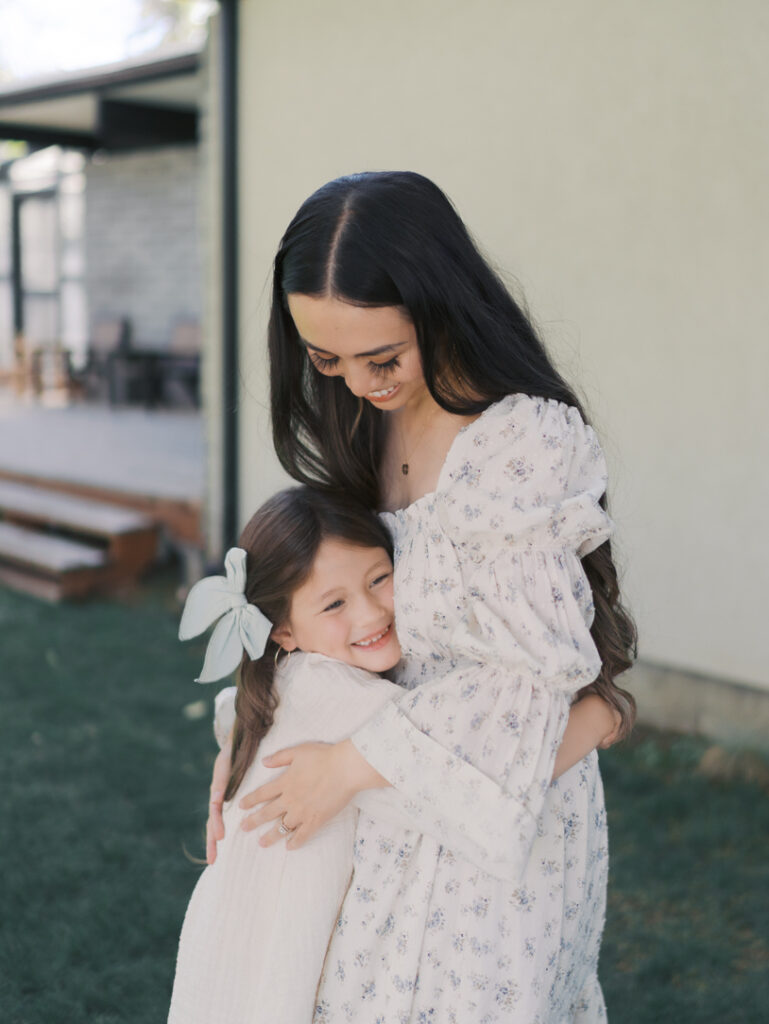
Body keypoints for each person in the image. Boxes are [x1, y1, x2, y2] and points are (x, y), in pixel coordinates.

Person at [210, 171, 636, 1021]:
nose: (356, 383)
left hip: (495, 824)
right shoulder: (366, 425)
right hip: (385, 807)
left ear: (441, 310)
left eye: (382, 358)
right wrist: (244, 743)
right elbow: (318, 607)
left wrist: (354, 767)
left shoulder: (515, 447)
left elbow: (537, 677)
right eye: (325, 359)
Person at [168, 487, 405, 1023]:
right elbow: (448, 746)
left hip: (230, 923)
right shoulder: (337, 687)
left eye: (379, 579)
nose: (370, 613)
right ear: (283, 631)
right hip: (276, 933)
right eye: (335, 603)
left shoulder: (283, 675)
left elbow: (233, 707)